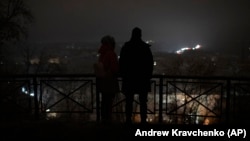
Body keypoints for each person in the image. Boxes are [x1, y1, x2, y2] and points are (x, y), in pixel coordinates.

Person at [119, 27, 154, 124]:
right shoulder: (145, 48)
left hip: (129, 78)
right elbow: (149, 64)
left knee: (129, 101)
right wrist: (148, 75)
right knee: (143, 102)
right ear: (140, 35)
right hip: (142, 79)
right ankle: (143, 120)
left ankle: (128, 119)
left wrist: (124, 75)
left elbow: (122, 63)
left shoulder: (126, 47)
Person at [94, 35, 119, 123]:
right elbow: (114, 68)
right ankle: (107, 120)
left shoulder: (102, 53)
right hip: (110, 81)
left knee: (104, 101)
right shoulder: (111, 53)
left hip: (102, 81)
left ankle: (103, 119)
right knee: (108, 102)